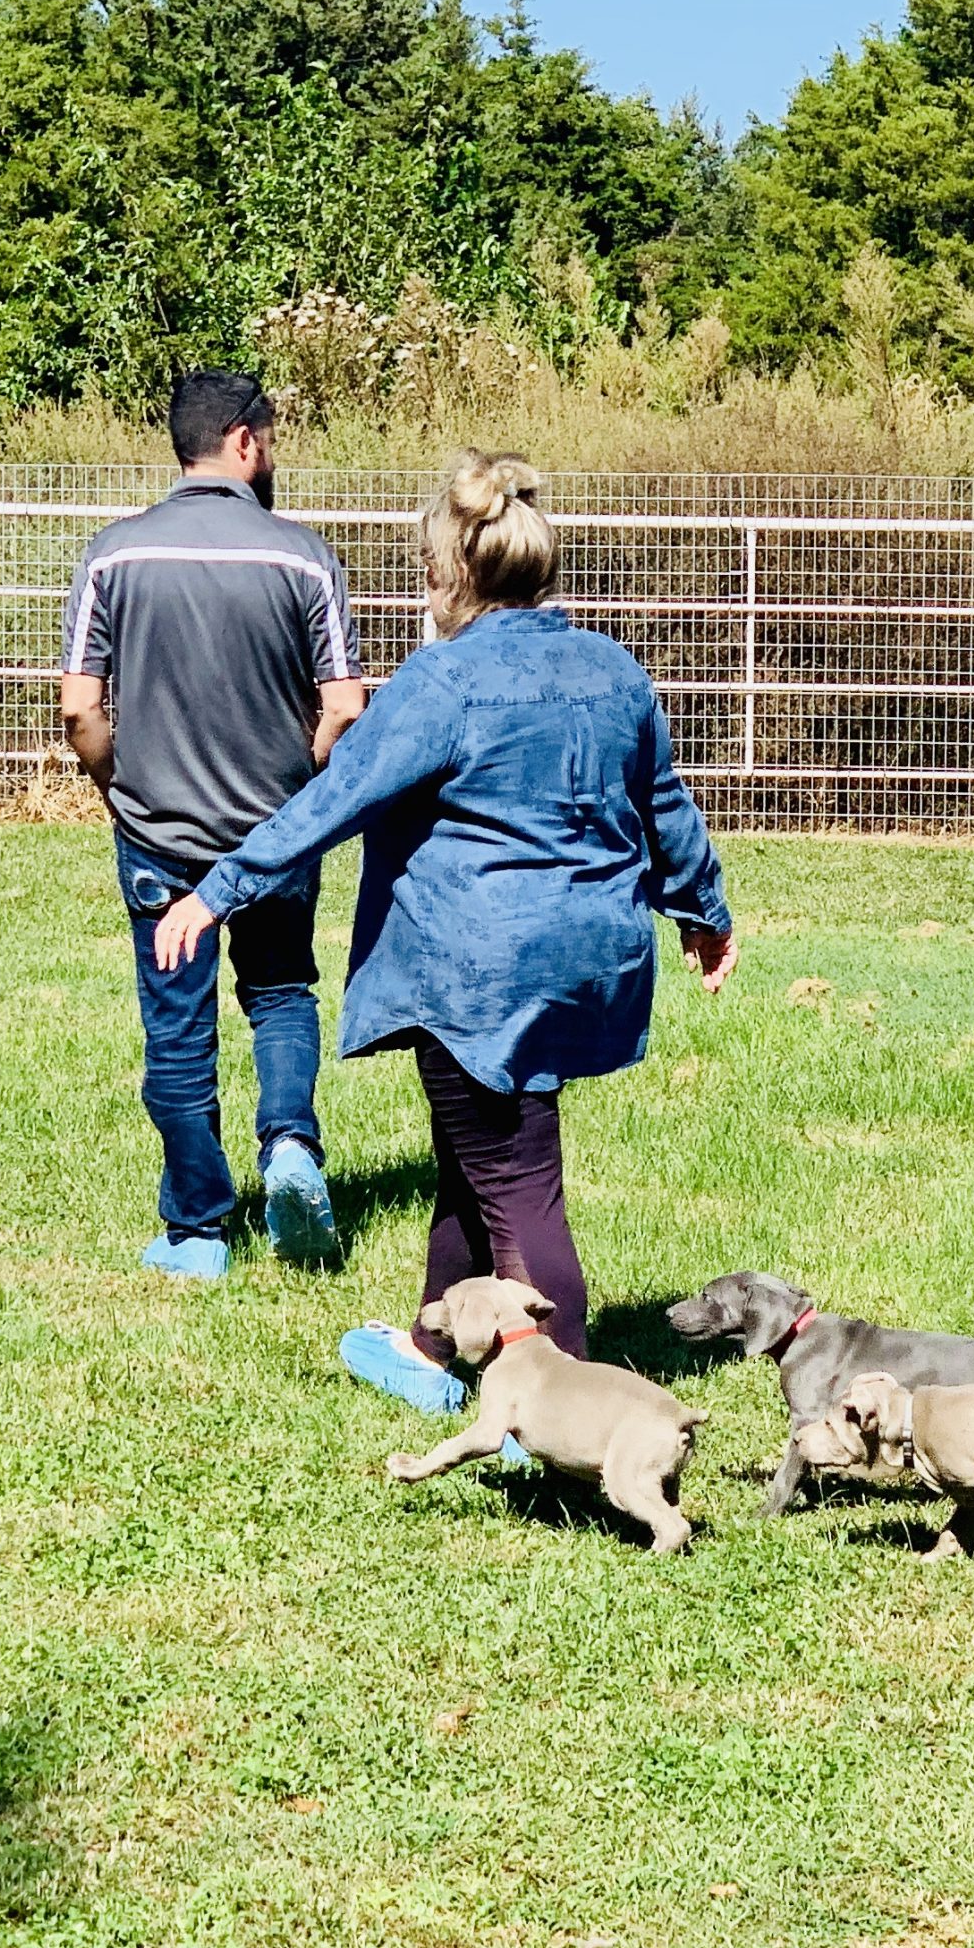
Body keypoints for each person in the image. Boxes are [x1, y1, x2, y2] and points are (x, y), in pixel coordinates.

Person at [153, 450, 736, 1410]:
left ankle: (574, 1413)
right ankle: (433, 1350)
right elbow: (663, 802)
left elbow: (336, 798)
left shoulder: (443, 682)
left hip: (478, 973)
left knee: (518, 1184)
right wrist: (701, 911)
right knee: (477, 1152)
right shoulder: (611, 667)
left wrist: (216, 891)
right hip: (589, 959)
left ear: (447, 574)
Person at [60, 370, 367, 1281]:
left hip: (157, 838)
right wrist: (299, 784)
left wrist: (119, 783)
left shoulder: (112, 555)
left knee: (176, 1030)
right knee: (278, 993)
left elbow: (79, 709)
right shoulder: (304, 556)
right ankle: (289, 1150)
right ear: (242, 441)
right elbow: (344, 704)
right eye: (268, 438)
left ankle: (197, 1232)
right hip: (273, 833)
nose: (270, 453)